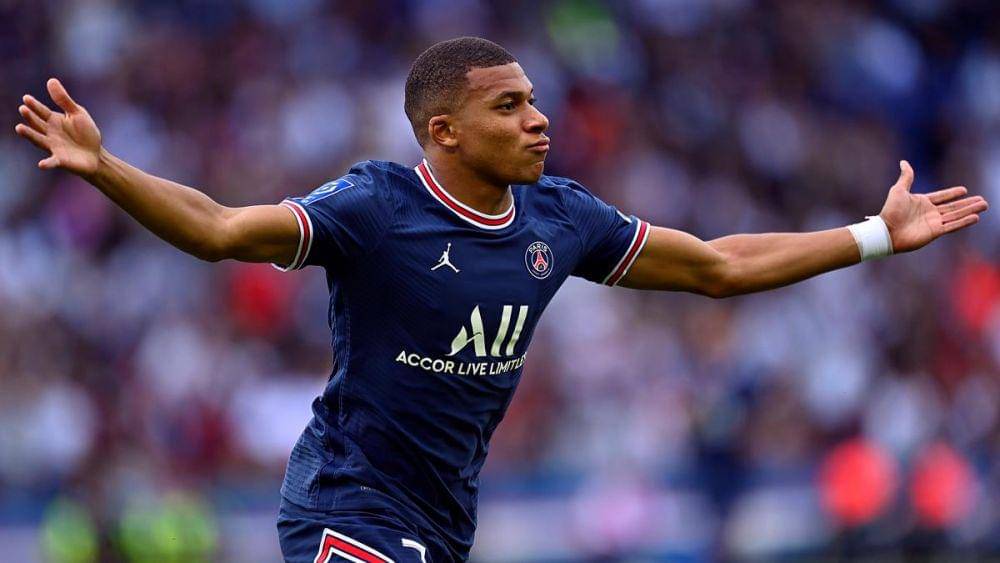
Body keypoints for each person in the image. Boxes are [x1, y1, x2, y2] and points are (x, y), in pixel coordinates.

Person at [14, 36, 988, 562]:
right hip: (350, 502)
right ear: (444, 130)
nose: (538, 119)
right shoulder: (376, 207)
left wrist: (873, 234)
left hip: (442, 521)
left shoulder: (561, 217)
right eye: (509, 106)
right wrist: (106, 168)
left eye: (534, 99)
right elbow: (222, 229)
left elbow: (716, 265)